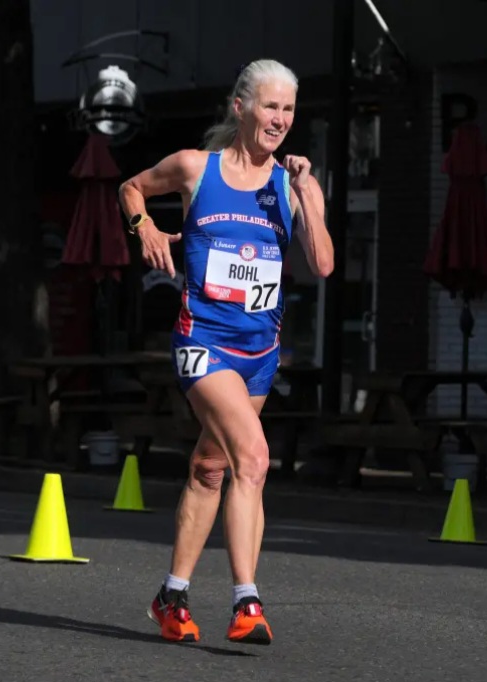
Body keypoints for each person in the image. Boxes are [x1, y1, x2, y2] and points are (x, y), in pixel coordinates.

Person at [118, 58, 333, 645]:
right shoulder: (195, 168)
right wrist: (147, 230)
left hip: (260, 353)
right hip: (203, 344)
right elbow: (130, 186)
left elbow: (322, 265)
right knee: (254, 458)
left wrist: (310, 197)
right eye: (270, 106)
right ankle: (247, 602)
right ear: (240, 107)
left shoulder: (289, 185)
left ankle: (172, 596)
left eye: (289, 110)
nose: (280, 120)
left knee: (212, 469)